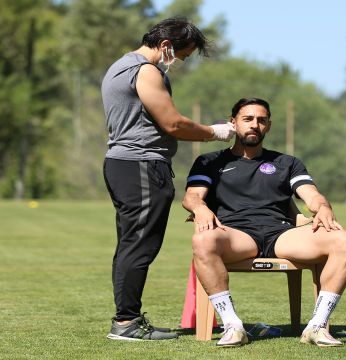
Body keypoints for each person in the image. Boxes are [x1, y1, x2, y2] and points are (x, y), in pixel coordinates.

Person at [182, 97, 346, 347]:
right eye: (248, 119)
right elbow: (192, 196)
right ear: (233, 123)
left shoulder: (287, 163)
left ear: (268, 126)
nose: (255, 125)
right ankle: (233, 326)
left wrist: (323, 207)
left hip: (283, 235)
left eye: (261, 120)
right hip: (236, 235)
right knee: (202, 240)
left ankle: (316, 326)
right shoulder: (210, 162)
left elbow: (311, 194)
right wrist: (200, 208)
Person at [101, 17, 236, 341]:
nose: (180, 63)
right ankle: (126, 322)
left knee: (132, 243)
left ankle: (126, 318)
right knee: (139, 245)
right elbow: (173, 124)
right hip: (141, 166)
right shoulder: (146, 71)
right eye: (183, 56)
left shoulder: (119, 65)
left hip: (125, 165)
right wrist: (215, 132)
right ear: (165, 46)